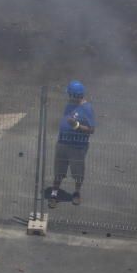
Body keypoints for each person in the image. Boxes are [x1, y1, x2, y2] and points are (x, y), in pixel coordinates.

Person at [49, 80, 96, 208]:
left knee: (78, 172)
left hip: (77, 146)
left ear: (74, 95)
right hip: (63, 143)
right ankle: (54, 194)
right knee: (58, 171)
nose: (68, 97)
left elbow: (91, 129)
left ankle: (76, 193)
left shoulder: (87, 108)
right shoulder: (69, 105)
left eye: (69, 94)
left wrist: (77, 126)